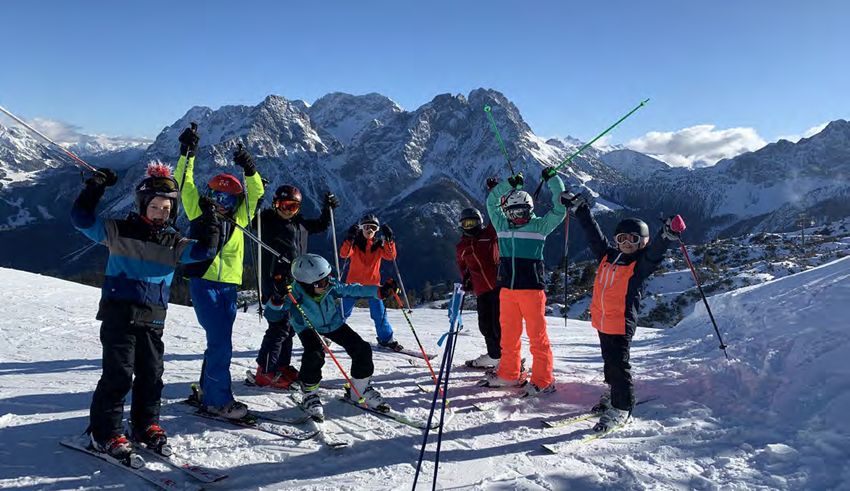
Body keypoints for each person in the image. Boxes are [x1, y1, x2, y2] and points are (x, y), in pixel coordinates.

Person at [71, 163, 220, 460]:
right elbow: (81, 219)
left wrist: (209, 219)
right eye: (154, 207)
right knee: (118, 375)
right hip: (119, 316)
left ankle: (145, 425)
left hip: (153, 318)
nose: (160, 213)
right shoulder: (118, 231)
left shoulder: (175, 243)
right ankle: (105, 433)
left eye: (166, 208)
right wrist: (96, 186)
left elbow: (206, 251)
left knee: (151, 375)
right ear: (142, 205)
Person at [562, 189, 685, 431]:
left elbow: (655, 253)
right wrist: (581, 208)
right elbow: (593, 234)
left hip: (620, 323)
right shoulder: (607, 256)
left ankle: (622, 408)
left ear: (642, 243)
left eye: (633, 240)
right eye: (622, 239)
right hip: (603, 321)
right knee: (610, 363)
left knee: (619, 366)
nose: (627, 244)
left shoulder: (639, 266)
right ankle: (614, 393)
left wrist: (667, 233)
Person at [174, 126, 264, 419]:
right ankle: (217, 400)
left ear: (236, 202)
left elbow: (256, 192)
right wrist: (187, 154)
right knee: (221, 343)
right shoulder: (199, 212)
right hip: (204, 284)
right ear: (209, 195)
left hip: (228, 288)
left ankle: (206, 389)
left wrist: (249, 169)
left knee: (219, 341)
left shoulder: (241, 218)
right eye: (216, 196)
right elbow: (183, 183)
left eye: (228, 199)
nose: (221, 204)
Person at [263, 254, 398, 421]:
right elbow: (272, 315)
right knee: (314, 354)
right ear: (306, 284)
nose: (326, 285)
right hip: (307, 327)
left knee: (362, 348)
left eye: (328, 279)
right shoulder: (294, 293)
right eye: (321, 283)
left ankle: (359, 389)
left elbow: (352, 289)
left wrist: (379, 291)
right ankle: (310, 394)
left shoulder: (329, 286)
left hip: (333, 323)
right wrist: (278, 298)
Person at [482, 169, 566, 397]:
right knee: (509, 335)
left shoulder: (539, 227)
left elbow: (560, 209)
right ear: (506, 212)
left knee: (537, 337)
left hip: (531, 290)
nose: (518, 216)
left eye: (523, 211)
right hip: (507, 290)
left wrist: (554, 181)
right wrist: (509, 185)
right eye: (513, 212)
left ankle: (543, 380)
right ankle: (509, 373)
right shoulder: (502, 226)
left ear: (531, 209)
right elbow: (491, 202)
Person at [252, 185, 340, 389]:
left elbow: (319, 226)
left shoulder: (298, 222)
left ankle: (281, 365)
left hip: (296, 281)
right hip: (275, 282)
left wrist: (328, 209)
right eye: (283, 205)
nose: (287, 210)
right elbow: (251, 221)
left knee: (290, 326)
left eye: (293, 207)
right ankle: (265, 370)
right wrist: (257, 198)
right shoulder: (267, 221)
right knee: (279, 327)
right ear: (275, 204)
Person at [339, 214, 403, 351]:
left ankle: (386, 339)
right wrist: (349, 239)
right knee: (343, 312)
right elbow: (344, 254)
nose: (370, 230)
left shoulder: (378, 245)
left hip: (373, 286)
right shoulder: (355, 244)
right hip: (353, 286)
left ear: (377, 230)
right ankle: (330, 334)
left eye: (373, 228)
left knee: (379, 314)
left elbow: (390, 256)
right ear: (361, 228)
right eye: (367, 227)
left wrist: (390, 240)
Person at [455, 206, 501, 369]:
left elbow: (496, 215)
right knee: (485, 325)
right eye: (466, 224)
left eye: (473, 223)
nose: (470, 227)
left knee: (499, 325)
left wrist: (497, 197)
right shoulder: (462, 246)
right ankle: (494, 355)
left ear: (480, 222)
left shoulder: (489, 235)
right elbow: (462, 266)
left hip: (499, 287)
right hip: (481, 290)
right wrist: (466, 279)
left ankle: (507, 356)